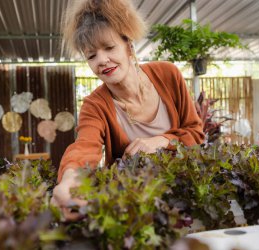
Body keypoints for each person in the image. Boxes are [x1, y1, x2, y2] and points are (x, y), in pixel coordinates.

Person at [51, 0, 204, 220]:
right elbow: (85, 147)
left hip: (185, 198)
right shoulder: (95, 106)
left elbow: (196, 135)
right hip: (134, 209)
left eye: (109, 47)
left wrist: (161, 141)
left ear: (129, 45)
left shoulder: (168, 75)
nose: (102, 60)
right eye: (91, 56)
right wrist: (70, 179)